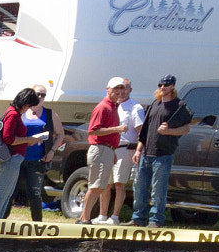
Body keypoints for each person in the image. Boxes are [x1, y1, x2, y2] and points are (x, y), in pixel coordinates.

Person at [131, 75, 191, 227]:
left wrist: (169, 131)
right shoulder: (155, 104)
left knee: (158, 190)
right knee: (140, 188)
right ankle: (138, 218)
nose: (162, 87)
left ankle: (155, 220)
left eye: (166, 84)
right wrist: (138, 150)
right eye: (160, 84)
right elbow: (144, 131)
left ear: (173, 86)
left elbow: (186, 128)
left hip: (163, 154)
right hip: (146, 153)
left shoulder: (179, 106)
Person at [0, 88, 50, 220]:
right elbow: (8, 138)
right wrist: (29, 139)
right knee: (2, 194)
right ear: (25, 103)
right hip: (11, 159)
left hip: (14, 159)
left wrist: (28, 141)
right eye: (29, 105)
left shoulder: (13, 113)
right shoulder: (13, 114)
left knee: (7, 194)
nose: (28, 108)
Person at [81, 76, 130, 225]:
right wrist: (117, 129)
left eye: (121, 88)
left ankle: (85, 217)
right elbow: (93, 130)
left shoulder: (114, 106)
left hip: (107, 150)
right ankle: (84, 219)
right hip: (100, 149)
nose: (119, 91)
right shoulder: (103, 107)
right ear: (107, 89)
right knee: (96, 186)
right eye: (115, 88)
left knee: (101, 185)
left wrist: (112, 151)